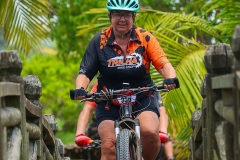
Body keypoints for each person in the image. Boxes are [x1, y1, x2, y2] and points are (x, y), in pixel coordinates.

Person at [73, 0, 179, 159]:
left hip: (142, 98)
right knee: (108, 145)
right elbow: (85, 72)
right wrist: (81, 88)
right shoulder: (99, 41)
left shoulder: (145, 37)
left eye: (127, 15)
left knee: (149, 132)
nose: (122, 19)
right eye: (117, 14)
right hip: (109, 101)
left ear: (133, 17)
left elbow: (164, 64)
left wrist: (170, 78)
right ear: (110, 16)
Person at [75, 83, 175, 160]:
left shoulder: (145, 83)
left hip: (140, 127)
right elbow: (87, 109)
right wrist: (80, 133)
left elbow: (161, 110)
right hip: (116, 126)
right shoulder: (102, 85)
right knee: (108, 148)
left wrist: (162, 132)